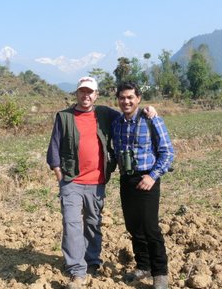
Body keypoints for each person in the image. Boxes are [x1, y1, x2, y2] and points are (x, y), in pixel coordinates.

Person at [47, 76, 156, 289]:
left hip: (97, 182)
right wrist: (59, 175)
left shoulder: (105, 114)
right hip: (71, 180)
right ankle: (77, 272)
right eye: (82, 92)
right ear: (77, 93)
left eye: (90, 92)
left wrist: (148, 110)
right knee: (71, 225)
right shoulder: (64, 116)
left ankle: (92, 262)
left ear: (96, 95)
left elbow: (129, 114)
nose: (86, 96)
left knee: (92, 223)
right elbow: (54, 148)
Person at [111, 81, 174, 289]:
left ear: (138, 99)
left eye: (130, 97)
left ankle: (160, 273)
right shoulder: (116, 123)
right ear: (118, 100)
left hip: (147, 179)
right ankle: (143, 266)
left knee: (150, 227)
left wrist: (153, 176)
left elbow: (167, 152)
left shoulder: (151, 120)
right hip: (126, 179)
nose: (126, 101)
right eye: (122, 97)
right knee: (133, 226)